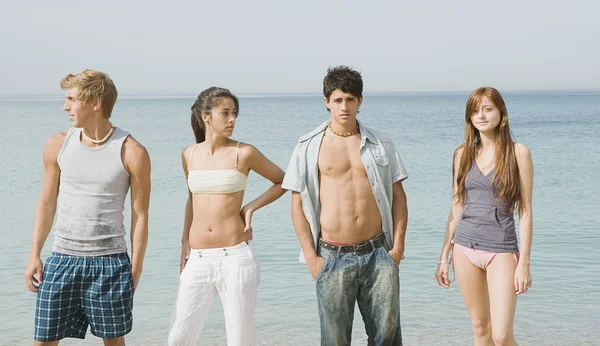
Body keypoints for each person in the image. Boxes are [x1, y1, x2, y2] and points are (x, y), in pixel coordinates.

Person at [23, 69, 151, 346]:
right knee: (43, 341)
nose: (65, 106)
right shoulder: (57, 144)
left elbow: (140, 215)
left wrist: (136, 269)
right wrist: (34, 254)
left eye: (72, 99)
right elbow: (46, 204)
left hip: (110, 262)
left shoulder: (132, 151)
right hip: (62, 260)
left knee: (113, 342)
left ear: (96, 103)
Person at [282, 66, 408, 346]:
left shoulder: (381, 143)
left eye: (350, 99)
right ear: (326, 101)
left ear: (360, 101)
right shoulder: (307, 146)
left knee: (387, 338)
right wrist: (312, 259)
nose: (344, 106)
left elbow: (399, 196)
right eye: (338, 100)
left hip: (378, 253)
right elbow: (297, 206)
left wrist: (397, 247)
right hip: (331, 256)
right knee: (335, 340)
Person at [167, 87, 286, 346]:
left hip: (235, 256)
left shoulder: (244, 153)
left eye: (234, 113)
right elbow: (192, 200)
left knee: (239, 339)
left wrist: (251, 207)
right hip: (197, 258)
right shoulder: (189, 154)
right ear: (205, 116)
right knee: (179, 338)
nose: (232, 119)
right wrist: (184, 244)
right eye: (225, 113)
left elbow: (283, 181)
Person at [435, 87, 534, 346]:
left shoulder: (519, 153)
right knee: (480, 328)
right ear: (469, 118)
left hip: (501, 251)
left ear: (502, 114)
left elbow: (525, 211)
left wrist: (524, 263)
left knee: (501, 336)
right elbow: (457, 205)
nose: (481, 115)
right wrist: (443, 257)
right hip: (464, 248)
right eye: (475, 111)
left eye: (488, 109)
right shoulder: (462, 154)